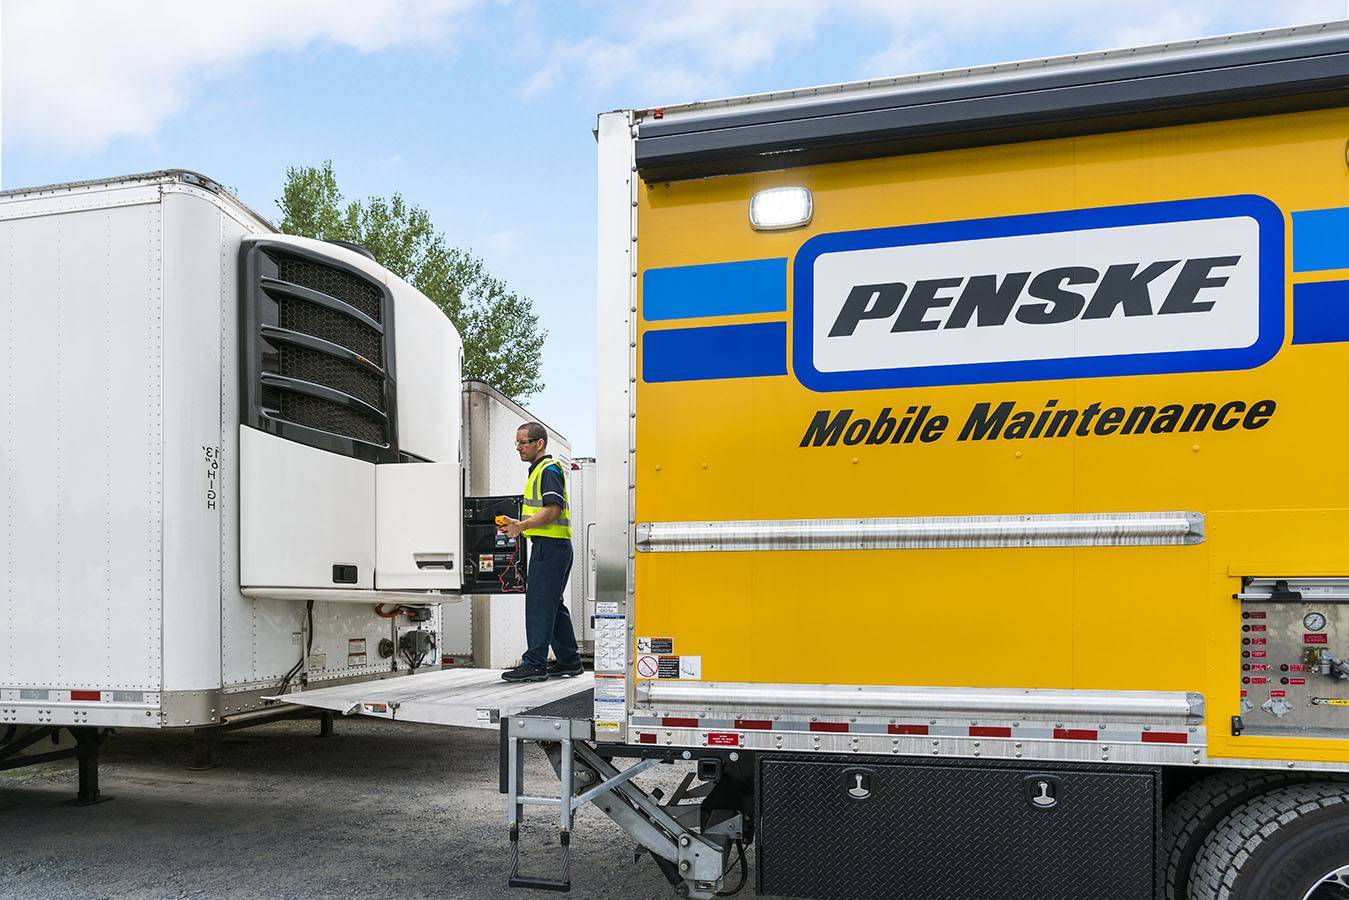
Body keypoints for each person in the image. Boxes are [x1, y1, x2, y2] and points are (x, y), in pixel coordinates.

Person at [499, 422, 585, 683]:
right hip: (551, 547)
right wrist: (518, 525)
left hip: (550, 548)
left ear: (540, 444)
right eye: (517, 443)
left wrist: (521, 526)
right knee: (553, 605)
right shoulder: (539, 471)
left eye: (523, 442)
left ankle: (535, 664)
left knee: (539, 605)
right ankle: (570, 661)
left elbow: (552, 509)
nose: (518, 448)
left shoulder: (548, 470)